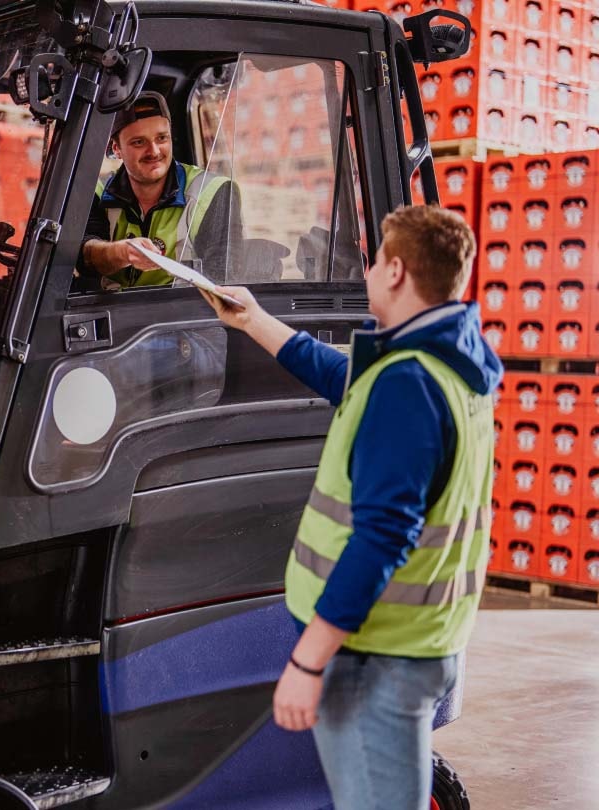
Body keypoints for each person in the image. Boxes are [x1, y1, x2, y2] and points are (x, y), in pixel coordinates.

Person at [198, 205, 501, 809]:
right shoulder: (445, 362)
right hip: (413, 640)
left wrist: (309, 661)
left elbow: (382, 538)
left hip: (377, 654)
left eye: (375, 260)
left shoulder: (409, 384)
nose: (367, 273)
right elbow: (344, 377)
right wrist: (254, 320)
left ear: (397, 272)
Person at [79, 91, 243, 290]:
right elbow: (85, 258)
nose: (154, 151)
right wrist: (122, 253)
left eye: (162, 138)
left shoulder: (213, 192)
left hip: (183, 307)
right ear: (117, 149)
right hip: (113, 307)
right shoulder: (97, 192)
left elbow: (223, 281)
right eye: (139, 142)